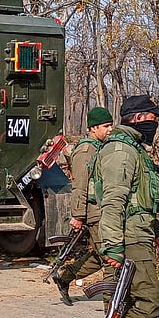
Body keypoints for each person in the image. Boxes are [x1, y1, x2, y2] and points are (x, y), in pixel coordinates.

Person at [90, 94, 159, 318]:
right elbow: (114, 201)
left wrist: (158, 232)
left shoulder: (137, 150)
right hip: (126, 239)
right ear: (138, 119)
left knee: (130, 306)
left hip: (140, 234)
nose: (157, 123)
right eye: (153, 118)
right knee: (150, 304)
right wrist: (112, 246)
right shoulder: (121, 151)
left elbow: (144, 202)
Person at [50, 107, 114, 306]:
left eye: (111, 125)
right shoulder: (86, 150)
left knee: (101, 254)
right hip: (93, 213)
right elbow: (80, 185)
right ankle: (111, 301)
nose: (110, 129)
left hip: (102, 210)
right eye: (106, 126)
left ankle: (65, 276)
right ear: (93, 128)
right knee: (110, 257)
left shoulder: (100, 147)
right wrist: (77, 215)